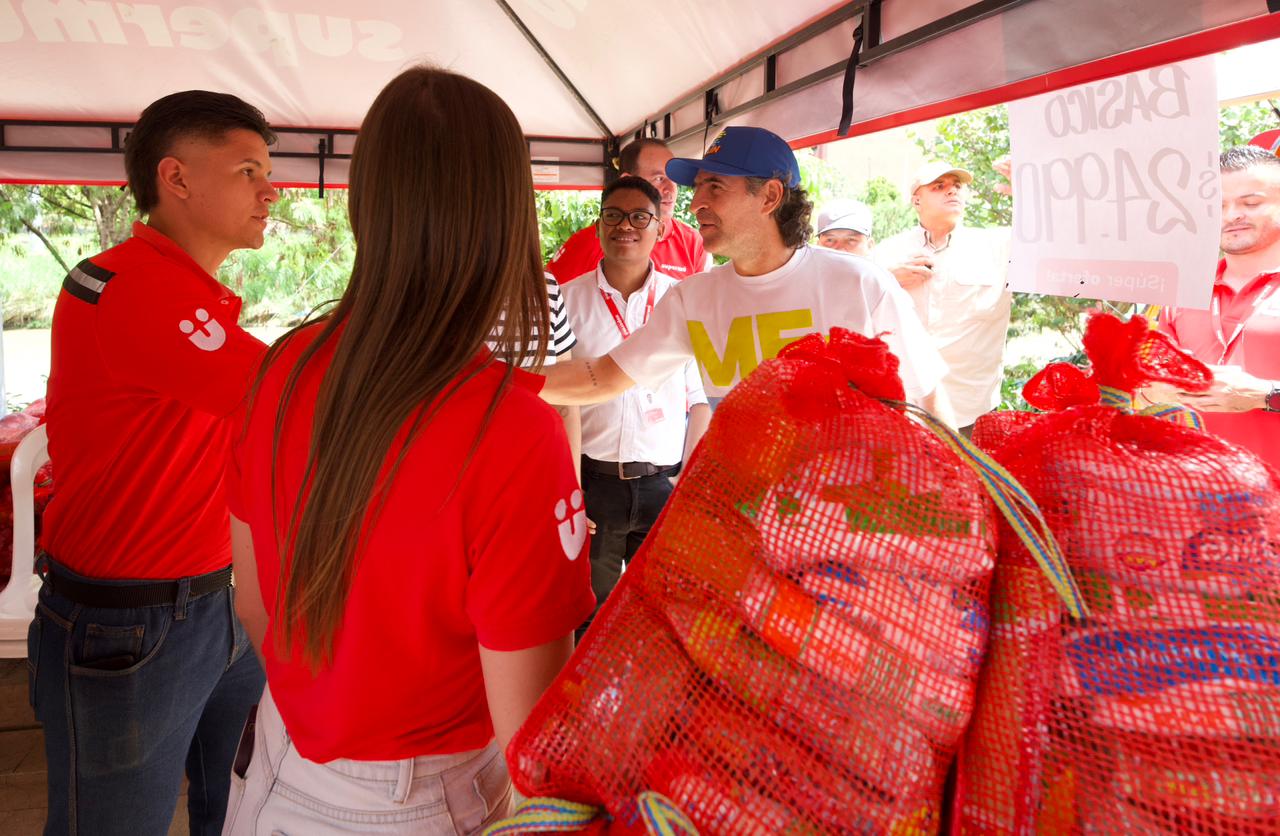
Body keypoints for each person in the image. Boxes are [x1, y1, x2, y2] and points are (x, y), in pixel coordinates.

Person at [222, 67, 595, 834]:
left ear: (367, 203)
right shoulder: (513, 430)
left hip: (276, 763)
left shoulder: (282, 368)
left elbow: (254, 602)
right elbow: (534, 746)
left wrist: (325, 706)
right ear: (505, 215)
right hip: (418, 797)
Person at [32, 91, 273, 835]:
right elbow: (298, 396)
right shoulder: (134, 287)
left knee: (238, 810)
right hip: (131, 624)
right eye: (248, 170)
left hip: (216, 602)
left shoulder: (184, 290)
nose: (271, 191)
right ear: (177, 177)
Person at [540, 126, 950, 424]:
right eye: (697, 188)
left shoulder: (860, 284)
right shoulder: (692, 298)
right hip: (742, 511)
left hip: (841, 516)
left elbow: (926, 399)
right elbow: (603, 377)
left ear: (770, 196)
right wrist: (506, 380)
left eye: (714, 187)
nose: (695, 203)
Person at [560, 176, 711, 636]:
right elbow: (561, 404)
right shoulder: (566, 300)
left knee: (664, 614)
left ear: (660, 228)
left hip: (663, 484)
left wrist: (686, 484)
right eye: (613, 216)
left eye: (640, 217)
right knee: (588, 613)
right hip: (595, 484)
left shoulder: (683, 300)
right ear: (598, 226)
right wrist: (571, 488)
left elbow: (699, 400)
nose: (625, 226)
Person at [1147, 145, 1280, 470]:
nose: (1231, 215)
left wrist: (1266, 395)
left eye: (1251, 203)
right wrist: (1152, 389)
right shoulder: (1184, 292)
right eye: (1217, 206)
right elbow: (1153, 390)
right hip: (1201, 490)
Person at [874, 162, 1012, 434]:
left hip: (973, 412)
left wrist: (1027, 190)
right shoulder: (887, 253)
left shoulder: (997, 247)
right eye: (939, 186)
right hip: (906, 409)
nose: (952, 191)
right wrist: (888, 278)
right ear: (916, 200)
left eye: (957, 186)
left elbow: (1050, 241)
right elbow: (856, 310)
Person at [545, 138, 711, 284]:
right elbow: (545, 298)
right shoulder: (589, 242)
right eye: (659, 179)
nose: (671, 189)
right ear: (628, 181)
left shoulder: (693, 243)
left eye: (674, 179)